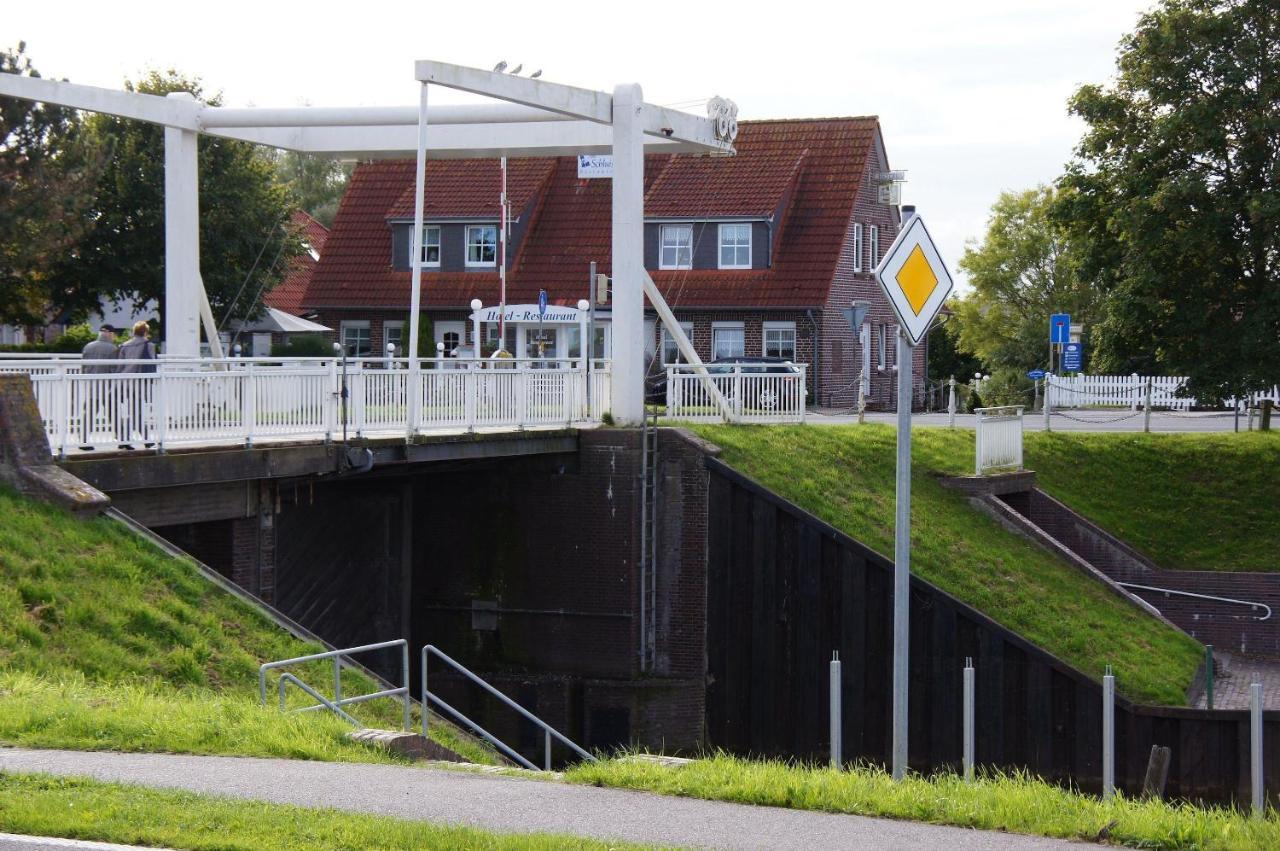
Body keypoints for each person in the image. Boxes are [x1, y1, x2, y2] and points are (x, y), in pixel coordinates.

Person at [116, 321, 157, 449]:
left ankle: (125, 439)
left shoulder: (124, 345)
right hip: (138, 383)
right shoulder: (148, 345)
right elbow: (152, 362)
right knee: (136, 411)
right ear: (145, 332)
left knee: (126, 412)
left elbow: (119, 365)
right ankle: (143, 439)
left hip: (124, 382)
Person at [78, 324, 119, 448]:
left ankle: (83, 440)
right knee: (114, 413)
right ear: (111, 334)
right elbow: (115, 369)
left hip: (91, 385)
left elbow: (83, 367)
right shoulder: (113, 349)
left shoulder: (88, 347)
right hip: (108, 387)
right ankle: (123, 439)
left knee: (89, 414)